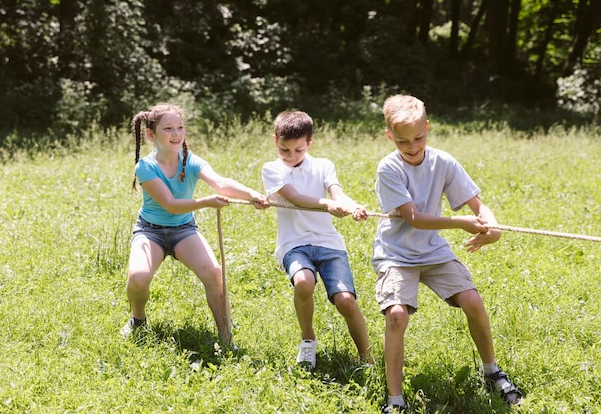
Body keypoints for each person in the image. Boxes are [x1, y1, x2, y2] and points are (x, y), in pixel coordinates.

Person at [372, 95, 522, 412]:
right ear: (389, 136)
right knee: (396, 316)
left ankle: (491, 371)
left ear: (427, 128)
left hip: (433, 252)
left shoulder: (443, 161)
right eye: (402, 141)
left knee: (473, 301)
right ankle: (395, 401)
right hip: (396, 254)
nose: (412, 146)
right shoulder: (389, 168)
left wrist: (491, 227)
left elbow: (478, 205)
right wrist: (462, 224)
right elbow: (412, 217)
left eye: (418, 137)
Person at [122, 103, 268, 344]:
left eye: (180, 127)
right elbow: (169, 204)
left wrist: (253, 195)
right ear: (151, 134)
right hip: (150, 231)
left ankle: (225, 336)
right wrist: (206, 202)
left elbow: (220, 183)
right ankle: (138, 320)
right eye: (168, 128)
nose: (176, 133)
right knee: (138, 278)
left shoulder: (190, 160)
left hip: (183, 229)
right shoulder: (145, 167)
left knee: (214, 273)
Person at [261, 110, 371, 368]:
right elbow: (295, 198)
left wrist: (352, 206)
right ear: (275, 140)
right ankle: (308, 340)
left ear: (309, 144)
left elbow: (337, 193)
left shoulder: (323, 165)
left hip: (328, 243)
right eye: (284, 150)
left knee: (345, 300)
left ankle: (367, 357)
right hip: (294, 244)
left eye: (298, 150)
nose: (291, 156)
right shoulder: (272, 169)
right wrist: (328, 205)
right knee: (303, 282)